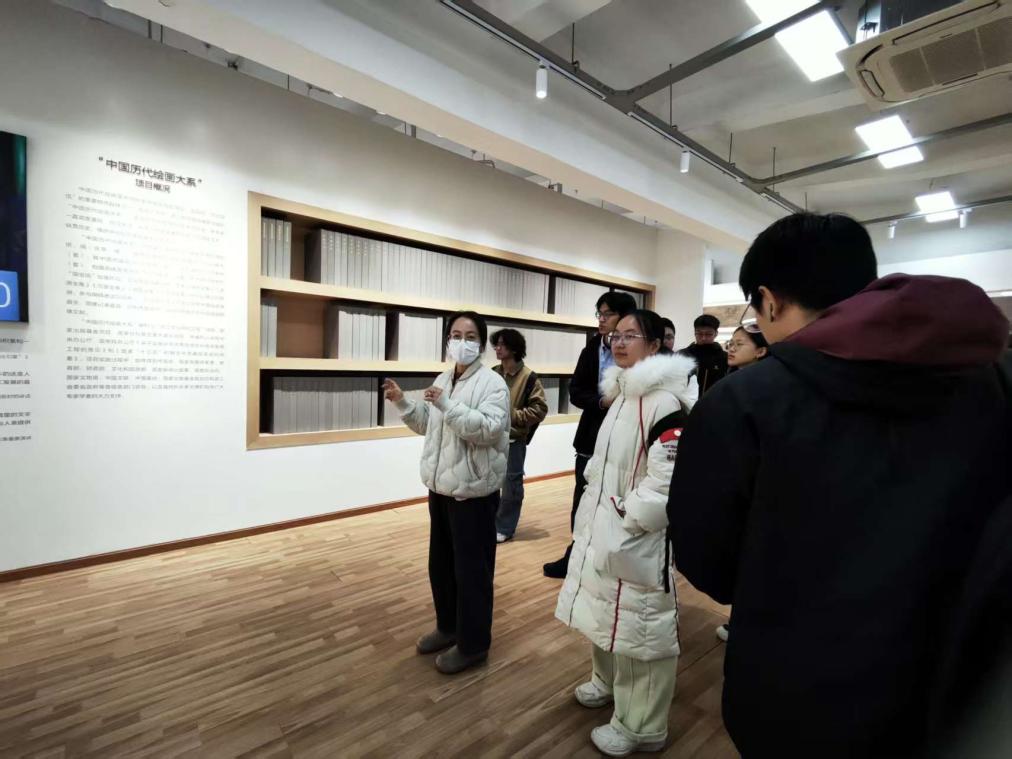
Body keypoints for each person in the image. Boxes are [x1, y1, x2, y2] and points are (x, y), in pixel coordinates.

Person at [666, 212, 1010, 757]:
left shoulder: (744, 401)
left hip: (797, 689)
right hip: (957, 688)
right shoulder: (993, 381)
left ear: (769, 301)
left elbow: (708, 559)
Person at [556, 309, 697, 757]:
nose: (618, 342)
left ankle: (642, 727)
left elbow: (667, 483)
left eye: (630, 336)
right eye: (615, 335)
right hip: (606, 526)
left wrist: (628, 517)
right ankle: (607, 682)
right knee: (603, 611)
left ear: (655, 345)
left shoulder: (665, 403)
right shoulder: (622, 394)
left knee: (641, 629)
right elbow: (606, 462)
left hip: (635, 535)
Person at [383, 311, 510, 675]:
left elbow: (488, 429)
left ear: (481, 344)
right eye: (456, 335)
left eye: (470, 336)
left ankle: (473, 645)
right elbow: (430, 424)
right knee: (441, 565)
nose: (462, 342)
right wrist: (402, 402)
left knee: (472, 572)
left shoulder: (493, 384)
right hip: (441, 488)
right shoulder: (445, 377)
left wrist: (446, 404)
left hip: (473, 493)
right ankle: (448, 627)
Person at [543, 290, 638, 579]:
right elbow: (575, 391)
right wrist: (601, 402)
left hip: (626, 437)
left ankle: (608, 561)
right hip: (591, 436)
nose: (602, 319)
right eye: (600, 313)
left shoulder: (640, 350)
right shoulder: (593, 347)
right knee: (582, 498)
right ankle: (576, 554)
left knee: (618, 501)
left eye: (608, 314)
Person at [712, 320, 771, 643]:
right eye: (730, 343)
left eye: (740, 344)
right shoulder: (734, 380)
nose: (731, 348)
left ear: (761, 351)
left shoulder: (762, 387)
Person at [490, 328, 549, 543]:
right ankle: (489, 523)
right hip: (490, 438)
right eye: (496, 344)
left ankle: (505, 527)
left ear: (514, 349)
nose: (497, 348)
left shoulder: (529, 377)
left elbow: (539, 410)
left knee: (511, 485)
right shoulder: (493, 372)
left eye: (502, 344)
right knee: (488, 484)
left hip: (514, 439)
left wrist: (511, 416)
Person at [678, 314, 727, 394]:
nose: (703, 338)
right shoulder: (682, 355)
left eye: (708, 334)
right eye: (699, 334)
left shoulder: (724, 357)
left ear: (716, 333)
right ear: (695, 333)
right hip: (686, 400)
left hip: (714, 400)